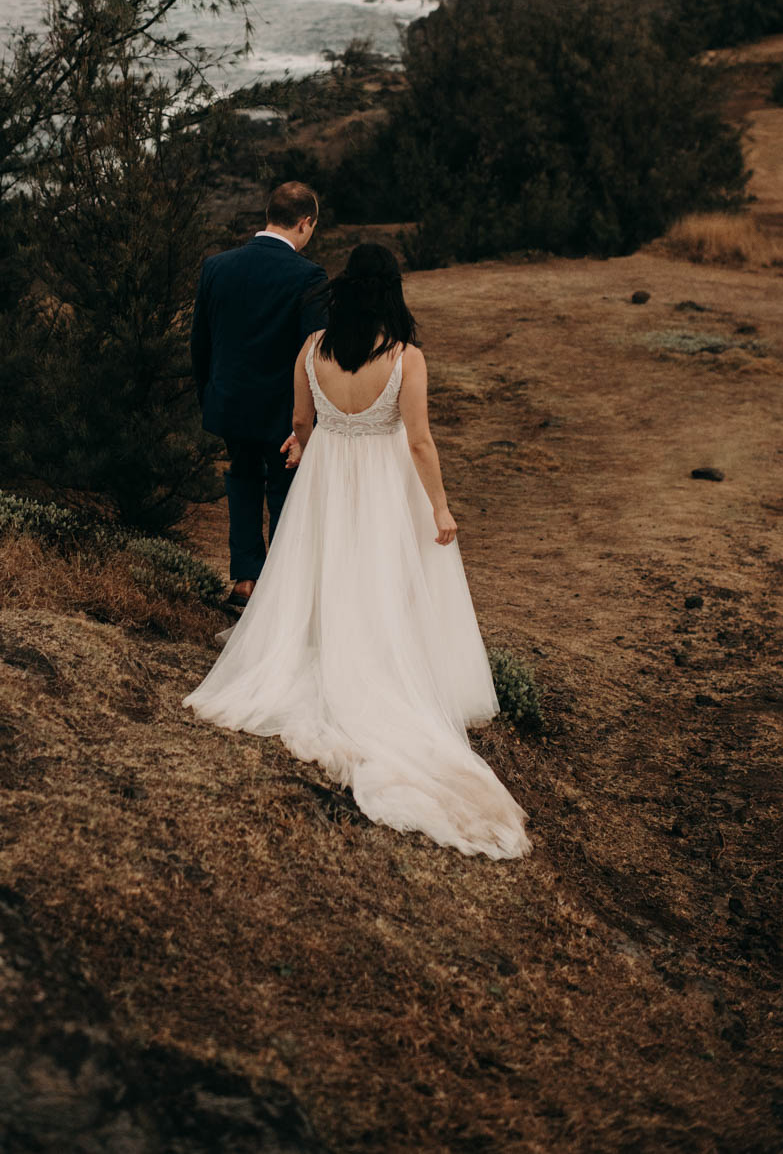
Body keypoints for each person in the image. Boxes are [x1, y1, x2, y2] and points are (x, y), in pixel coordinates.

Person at [185, 242, 530, 861]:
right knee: (381, 572)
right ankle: (375, 656)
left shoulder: (311, 349)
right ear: (391, 293)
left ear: (343, 291)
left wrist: (300, 446)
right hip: (381, 483)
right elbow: (419, 441)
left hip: (325, 477)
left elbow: (301, 422)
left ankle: (327, 648)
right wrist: (441, 507)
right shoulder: (405, 358)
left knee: (323, 567)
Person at [191, 181, 327, 604]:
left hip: (230, 402)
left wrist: (210, 398)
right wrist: (311, 420)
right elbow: (314, 353)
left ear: (270, 215)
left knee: (242, 479)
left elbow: (200, 343)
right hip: (284, 410)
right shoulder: (309, 276)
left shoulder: (216, 266)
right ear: (304, 223)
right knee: (285, 491)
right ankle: (280, 590)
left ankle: (246, 579)